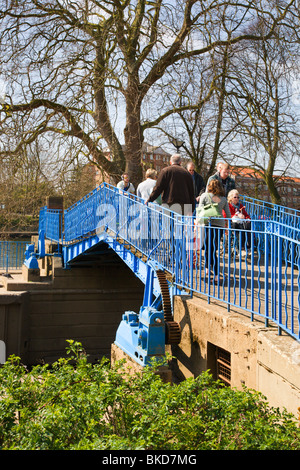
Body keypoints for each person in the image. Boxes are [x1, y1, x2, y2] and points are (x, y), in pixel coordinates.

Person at [197, 179, 231, 282]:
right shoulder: (223, 199)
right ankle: (210, 268)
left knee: (208, 248)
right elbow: (228, 215)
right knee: (213, 249)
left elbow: (199, 211)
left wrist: (197, 224)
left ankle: (212, 271)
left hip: (208, 224)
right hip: (219, 226)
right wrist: (227, 226)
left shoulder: (204, 196)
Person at [227, 189, 251, 255]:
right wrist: (236, 215)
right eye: (235, 197)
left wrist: (246, 218)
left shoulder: (240, 206)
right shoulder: (228, 205)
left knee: (248, 225)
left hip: (240, 222)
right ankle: (241, 248)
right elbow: (226, 215)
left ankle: (248, 246)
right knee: (239, 228)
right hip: (231, 223)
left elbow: (246, 215)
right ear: (231, 198)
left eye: (238, 197)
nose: (237, 199)